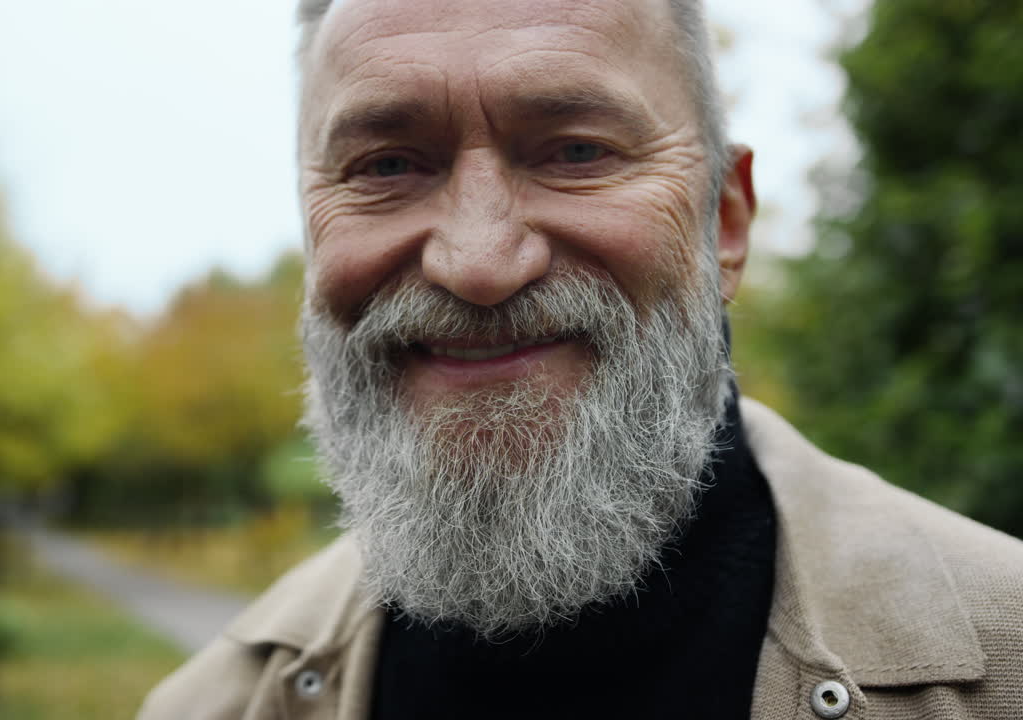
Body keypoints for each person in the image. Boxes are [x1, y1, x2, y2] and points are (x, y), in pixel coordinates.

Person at [138, 0, 1023, 717]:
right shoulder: (210, 704)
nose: (479, 263)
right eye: (388, 165)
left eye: (575, 152)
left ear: (724, 223)